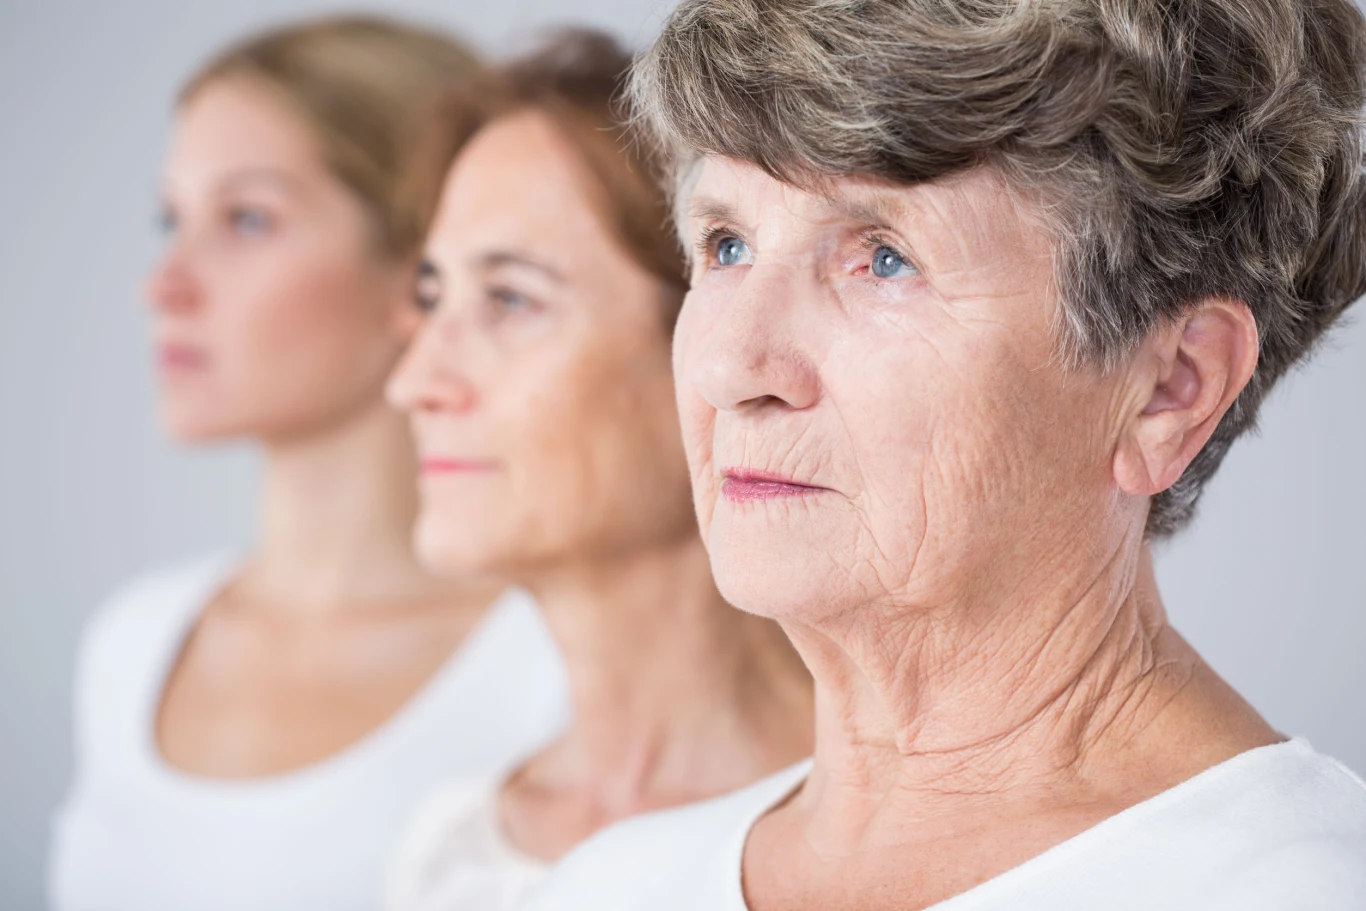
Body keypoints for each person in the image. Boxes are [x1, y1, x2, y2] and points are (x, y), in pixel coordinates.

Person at [523, 0, 1366, 908]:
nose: (730, 366)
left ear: (1169, 389)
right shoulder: (606, 884)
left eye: (884, 259)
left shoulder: (1293, 888)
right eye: (727, 245)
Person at [49, 17, 566, 911]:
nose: (164, 284)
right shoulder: (132, 644)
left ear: (421, 270)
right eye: (172, 218)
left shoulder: (551, 672)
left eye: (247, 219)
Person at [382, 30, 813, 911]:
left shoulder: (899, 835)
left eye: (510, 298)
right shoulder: (451, 853)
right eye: (432, 298)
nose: (413, 381)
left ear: (707, 343)